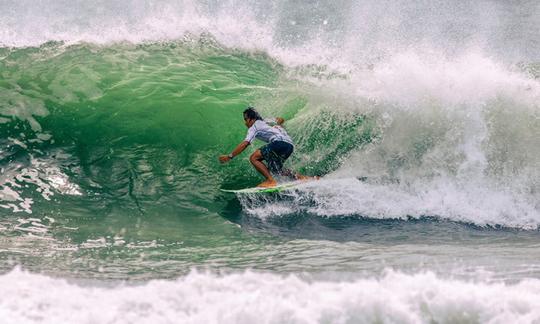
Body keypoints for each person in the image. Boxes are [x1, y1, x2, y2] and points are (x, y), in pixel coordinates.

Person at [219, 107, 311, 188]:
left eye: (246, 119)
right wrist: (278, 124)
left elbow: (245, 143)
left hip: (279, 143)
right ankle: (301, 177)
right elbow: (281, 119)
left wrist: (229, 156)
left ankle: (270, 180)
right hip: (289, 146)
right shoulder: (266, 121)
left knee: (253, 158)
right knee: (276, 170)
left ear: (252, 119)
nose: (245, 122)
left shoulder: (254, 126)